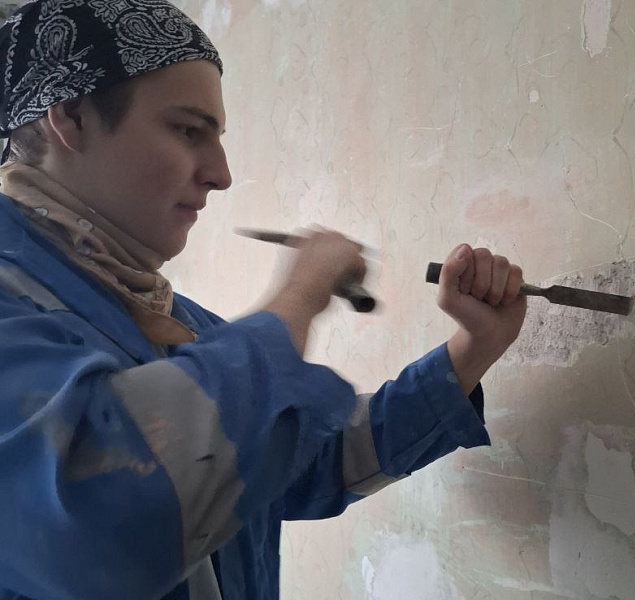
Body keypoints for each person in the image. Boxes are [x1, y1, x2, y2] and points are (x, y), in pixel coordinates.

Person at [0, 2, 527, 599]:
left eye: (217, 138)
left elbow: (312, 461)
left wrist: (473, 348)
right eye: (187, 130)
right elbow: (99, 521)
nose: (221, 174)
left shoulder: (174, 321)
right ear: (71, 118)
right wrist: (299, 295)